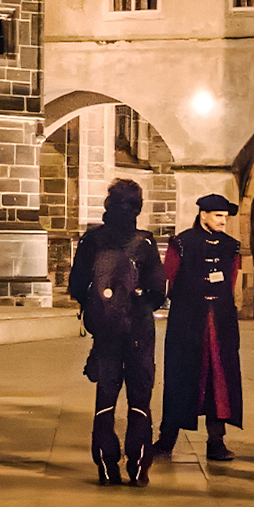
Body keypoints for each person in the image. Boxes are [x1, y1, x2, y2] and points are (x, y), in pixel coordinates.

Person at [68, 178, 167, 487]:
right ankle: (138, 467)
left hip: (106, 331)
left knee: (106, 399)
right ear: (138, 207)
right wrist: (137, 306)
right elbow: (159, 291)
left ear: (108, 204)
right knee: (140, 399)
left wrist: (97, 309)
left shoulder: (92, 240)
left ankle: (107, 465)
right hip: (139, 330)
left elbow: (76, 285)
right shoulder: (145, 242)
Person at [153, 193, 244, 463]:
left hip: (220, 323)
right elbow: (168, 279)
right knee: (181, 377)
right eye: (218, 216)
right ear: (203, 215)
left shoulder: (231, 247)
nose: (223, 221)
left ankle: (216, 441)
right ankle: (167, 439)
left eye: (225, 217)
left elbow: (231, 283)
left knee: (220, 380)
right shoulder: (181, 243)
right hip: (188, 322)